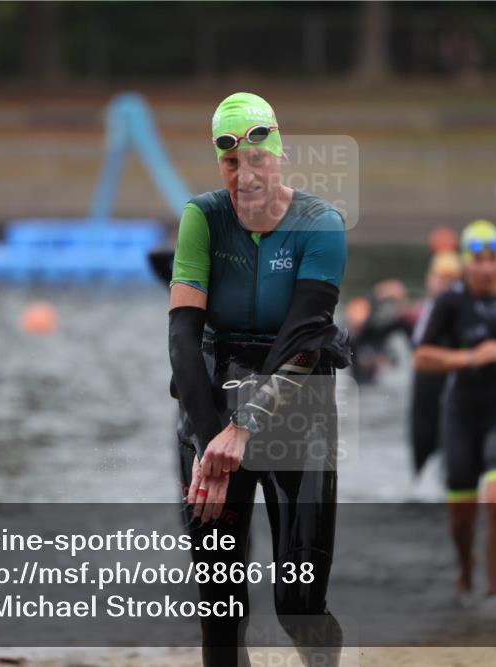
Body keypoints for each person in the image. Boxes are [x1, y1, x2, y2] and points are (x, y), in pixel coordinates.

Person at [167, 92, 349, 666]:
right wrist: (207, 442)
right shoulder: (202, 218)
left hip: (299, 410)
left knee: (298, 602)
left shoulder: (321, 224)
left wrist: (242, 431)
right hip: (212, 407)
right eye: (230, 162)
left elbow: (301, 343)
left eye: (258, 157)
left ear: (280, 151)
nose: (246, 175)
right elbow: (182, 338)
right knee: (220, 609)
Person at [413, 220, 496, 609]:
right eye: (478, 260)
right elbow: (421, 357)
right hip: (461, 411)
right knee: (461, 519)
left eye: (493, 259)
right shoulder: (451, 302)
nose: (486, 268)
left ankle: (495, 595)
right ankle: (465, 568)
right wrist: (471, 356)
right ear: (466, 263)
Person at [409, 251, 462, 475]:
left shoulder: (459, 313)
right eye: (440, 278)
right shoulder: (422, 311)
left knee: (448, 458)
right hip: (422, 393)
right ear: (429, 279)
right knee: (420, 453)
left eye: (450, 280)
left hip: (449, 391)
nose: (444, 285)